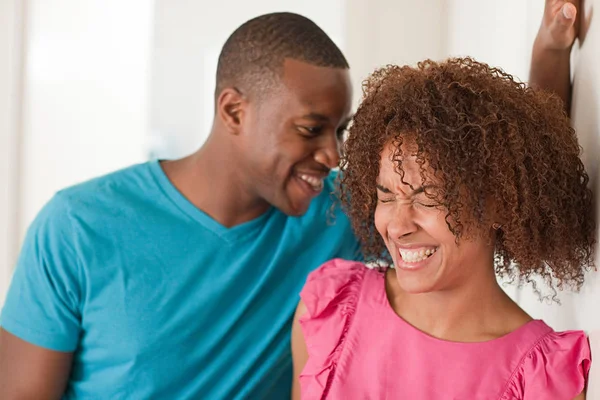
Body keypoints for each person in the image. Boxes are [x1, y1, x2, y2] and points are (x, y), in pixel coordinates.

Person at [0, 13, 360, 399]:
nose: (333, 155)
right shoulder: (75, 226)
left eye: (340, 131)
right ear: (234, 111)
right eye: (310, 129)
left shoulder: (344, 212)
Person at [291, 57, 594, 399]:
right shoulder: (330, 309)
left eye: (428, 197)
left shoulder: (542, 378)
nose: (399, 226)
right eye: (386, 196)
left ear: (498, 203)